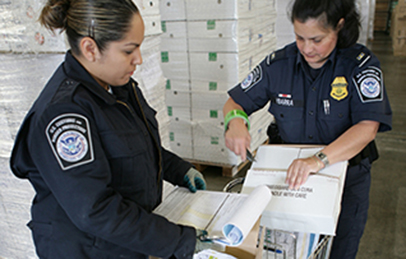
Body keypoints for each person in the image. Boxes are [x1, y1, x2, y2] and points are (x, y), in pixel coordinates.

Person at [9, 0, 209, 258]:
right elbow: (94, 210)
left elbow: (134, 147)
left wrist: (180, 169)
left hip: (120, 242)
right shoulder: (64, 114)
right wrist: (179, 240)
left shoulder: (118, 88)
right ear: (90, 48)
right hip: (87, 249)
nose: (138, 59)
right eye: (129, 50)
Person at [223, 0, 392, 258]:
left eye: (316, 39)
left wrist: (318, 160)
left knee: (341, 249)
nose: (307, 48)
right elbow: (235, 102)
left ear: (339, 27)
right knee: (286, 250)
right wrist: (235, 121)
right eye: (299, 38)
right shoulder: (278, 64)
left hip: (346, 178)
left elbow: (367, 127)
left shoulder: (360, 65)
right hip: (291, 179)